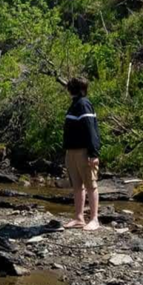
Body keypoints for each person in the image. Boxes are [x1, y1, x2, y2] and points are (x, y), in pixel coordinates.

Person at [62, 77, 101, 231]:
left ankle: (94, 219)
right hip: (71, 151)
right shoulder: (74, 104)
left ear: (73, 89)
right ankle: (79, 218)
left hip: (84, 151)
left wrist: (93, 153)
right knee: (77, 185)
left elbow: (91, 130)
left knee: (91, 185)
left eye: (69, 87)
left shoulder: (84, 104)